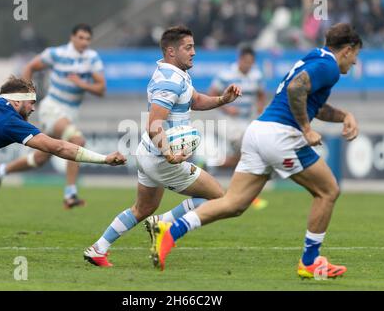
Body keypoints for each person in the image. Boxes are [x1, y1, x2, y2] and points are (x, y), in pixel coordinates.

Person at [151, 23, 362, 279]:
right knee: (328, 190)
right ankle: (310, 262)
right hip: (281, 135)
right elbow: (297, 89)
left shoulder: (316, 57)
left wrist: (345, 116)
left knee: (234, 203)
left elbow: (312, 102)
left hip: (258, 131)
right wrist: (306, 129)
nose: (354, 64)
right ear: (348, 50)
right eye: (356, 56)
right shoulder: (329, 67)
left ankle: (170, 230)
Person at [83, 25, 242, 267]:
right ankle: (164, 223)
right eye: (188, 47)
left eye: (194, 47)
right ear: (171, 51)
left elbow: (195, 100)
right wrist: (169, 154)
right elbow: (154, 124)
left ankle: (98, 248)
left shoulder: (176, 74)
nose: (194, 52)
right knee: (218, 197)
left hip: (149, 153)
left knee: (143, 207)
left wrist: (222, 99)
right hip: (161, 157)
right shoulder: (169, 81)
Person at [0, 23, 107, 209]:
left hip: (71, 113)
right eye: (81, 38)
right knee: (77, 140)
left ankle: (0, 171)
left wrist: (81, 84)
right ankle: (70, 194)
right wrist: (28, 97)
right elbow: (30, 66)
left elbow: (101, 90)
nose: (84, 42)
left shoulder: (92, 59)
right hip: (53, 107)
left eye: (88, 39)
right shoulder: (57, 54)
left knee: (40, 159)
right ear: (72, 37)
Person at [0, 76, 126, 171]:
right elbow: (58, 148)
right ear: (16, 102)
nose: (33, 109)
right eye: (31, 103)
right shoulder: (9, 121)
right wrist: (104, 159)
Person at [206, 44, 268, 210]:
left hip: (246, 121)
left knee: (242, 158)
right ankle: (248, 195)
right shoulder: (226, 74)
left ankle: (211, 165)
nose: (248, 65)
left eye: (251, 62)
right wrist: (227, 107)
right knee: (249, 152)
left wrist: (261, 108)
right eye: (246, 61)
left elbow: (261, 94)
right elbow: (211, 94)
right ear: (240, 59)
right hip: (227, 121)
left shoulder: (256, 75)